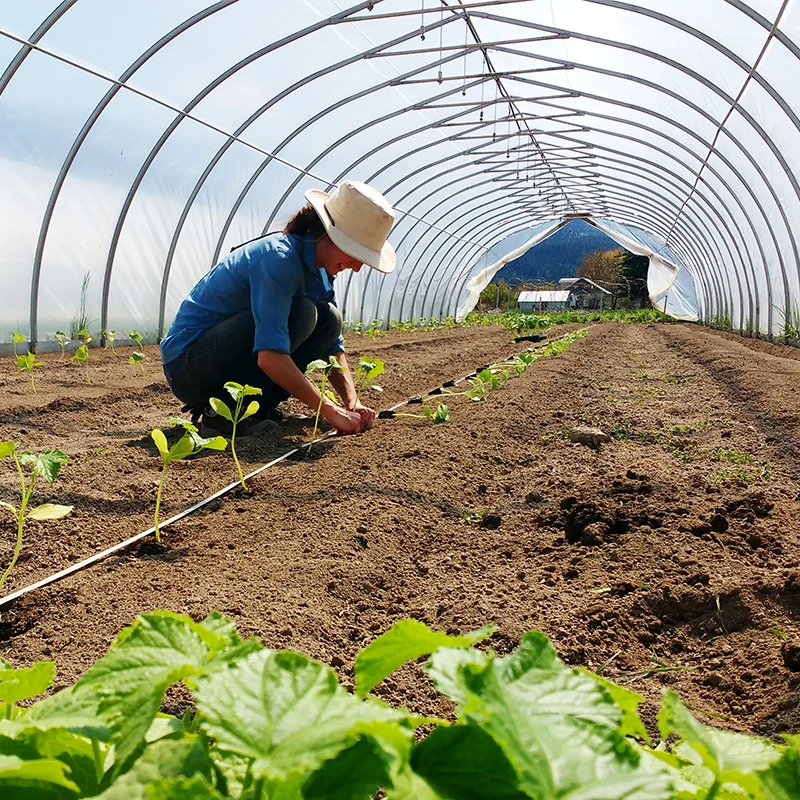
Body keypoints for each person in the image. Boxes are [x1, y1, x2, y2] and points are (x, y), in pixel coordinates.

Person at [160, 179, 396, 436]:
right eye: (356, 254)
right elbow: (269, 356)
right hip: (189, 366)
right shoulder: (278, 260)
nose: (358, 267)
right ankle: (221, 415)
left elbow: (331, 347)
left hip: (220, 359)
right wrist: (328, 410)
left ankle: (256, 407)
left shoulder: (321, 270)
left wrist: (351, 401)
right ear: (331, 236)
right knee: (303, 314)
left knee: (329, 319)